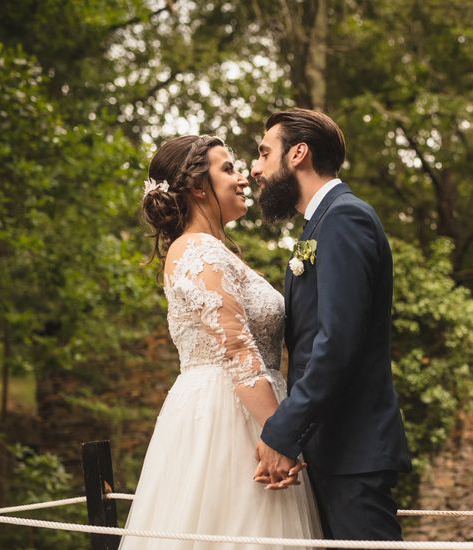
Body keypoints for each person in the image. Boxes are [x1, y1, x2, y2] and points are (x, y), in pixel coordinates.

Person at [121, 134, 321, 550]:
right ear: (197, 187)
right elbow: (236, 350)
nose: (244, 176)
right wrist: (279, 435)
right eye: (227, 169)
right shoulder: (198, 250)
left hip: (250, 407)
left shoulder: (216, 250)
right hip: (227, 419)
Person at [250, 109, 412, 543]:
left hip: (353, 449)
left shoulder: (344, 218)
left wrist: (282, 433)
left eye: (265, 153)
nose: (255, 167)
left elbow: (337, 342)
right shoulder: (319, 226)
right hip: (331, 449)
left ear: (298, 153)